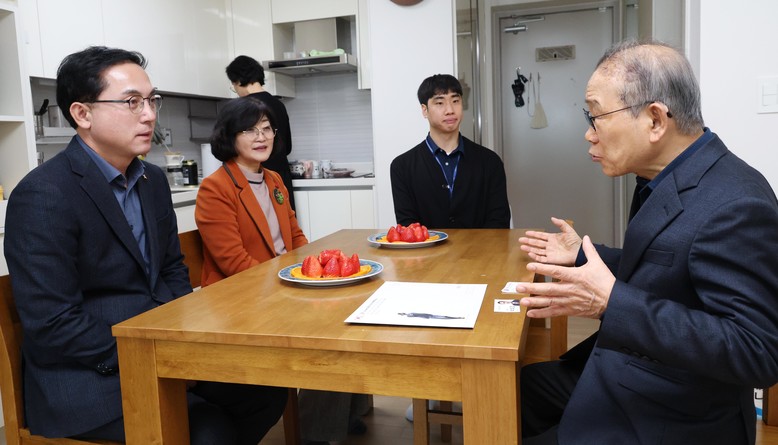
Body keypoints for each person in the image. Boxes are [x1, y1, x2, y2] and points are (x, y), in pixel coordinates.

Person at [3, 46, 287, 445]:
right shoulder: (44, 194)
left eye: (152, 100)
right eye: (132, 102)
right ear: (82, 114)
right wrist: (151, 358)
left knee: (266, 392)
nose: (149, 114)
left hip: (161, 348)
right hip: (88, 375)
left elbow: (171, 270)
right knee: (210, 431)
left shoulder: (151, 181)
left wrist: (183, 348)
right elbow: (53, 321)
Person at [515, 39, 778, 445]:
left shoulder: (736, 203)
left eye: (596, 116)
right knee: (522, 389)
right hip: (639, 366)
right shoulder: (670, 175)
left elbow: (756, 351)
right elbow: (666, 266)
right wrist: (583, 255)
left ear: (655, 120)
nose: (588, 134)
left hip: (675, 410)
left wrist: (610, 302)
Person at [195, 96, 369, 445]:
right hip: (241, 301)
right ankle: (316, 433)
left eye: (266, 128)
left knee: (351, 307)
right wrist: (290, 289)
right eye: (249, 130)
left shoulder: (273, 179)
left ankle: (346, 412)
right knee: (330, 331)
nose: (261, 137)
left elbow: (296, 239)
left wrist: (315, 273)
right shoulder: (216, 188)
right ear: (229, 136)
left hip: (278, 288)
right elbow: (234, 264)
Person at [390, 73, 511, 229]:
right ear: (424, 110)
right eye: (440, 103)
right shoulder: (402, 166)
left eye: (455, 101)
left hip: (481, 246)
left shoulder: (490, 161)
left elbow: (499, 223)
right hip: (427, 246)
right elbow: (408, 226)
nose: (450, 110)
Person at [226, 55, 296, 210]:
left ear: (238, 81)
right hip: (281, 177)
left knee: (261, 222)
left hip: (256, 178)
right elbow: (287, 147)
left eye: (233, 86)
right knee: (285, 222)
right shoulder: (278, 105)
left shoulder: (242, 107)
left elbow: (234, 150)